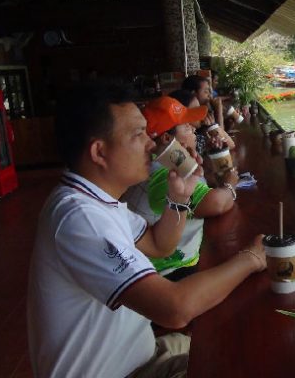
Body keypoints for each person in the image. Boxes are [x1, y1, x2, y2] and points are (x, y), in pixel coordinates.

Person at [27, 81, 266, 377]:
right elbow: (174, 309)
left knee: (234, 345)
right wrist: (251, 259)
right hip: (125, 372)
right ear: (99, 153)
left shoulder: (98, 200)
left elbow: (158, 244)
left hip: (141, 359)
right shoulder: (81, 217)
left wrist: (178, 199)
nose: (152, 144)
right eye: (139, 134)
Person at [123, 96, 239, 281]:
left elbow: (201, 188)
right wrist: (231, 182)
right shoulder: (162, 172)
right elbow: (216, 204)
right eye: (186, 127)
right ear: (167, 138)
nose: (194, 129)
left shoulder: (163, 163)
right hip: (168, 273)